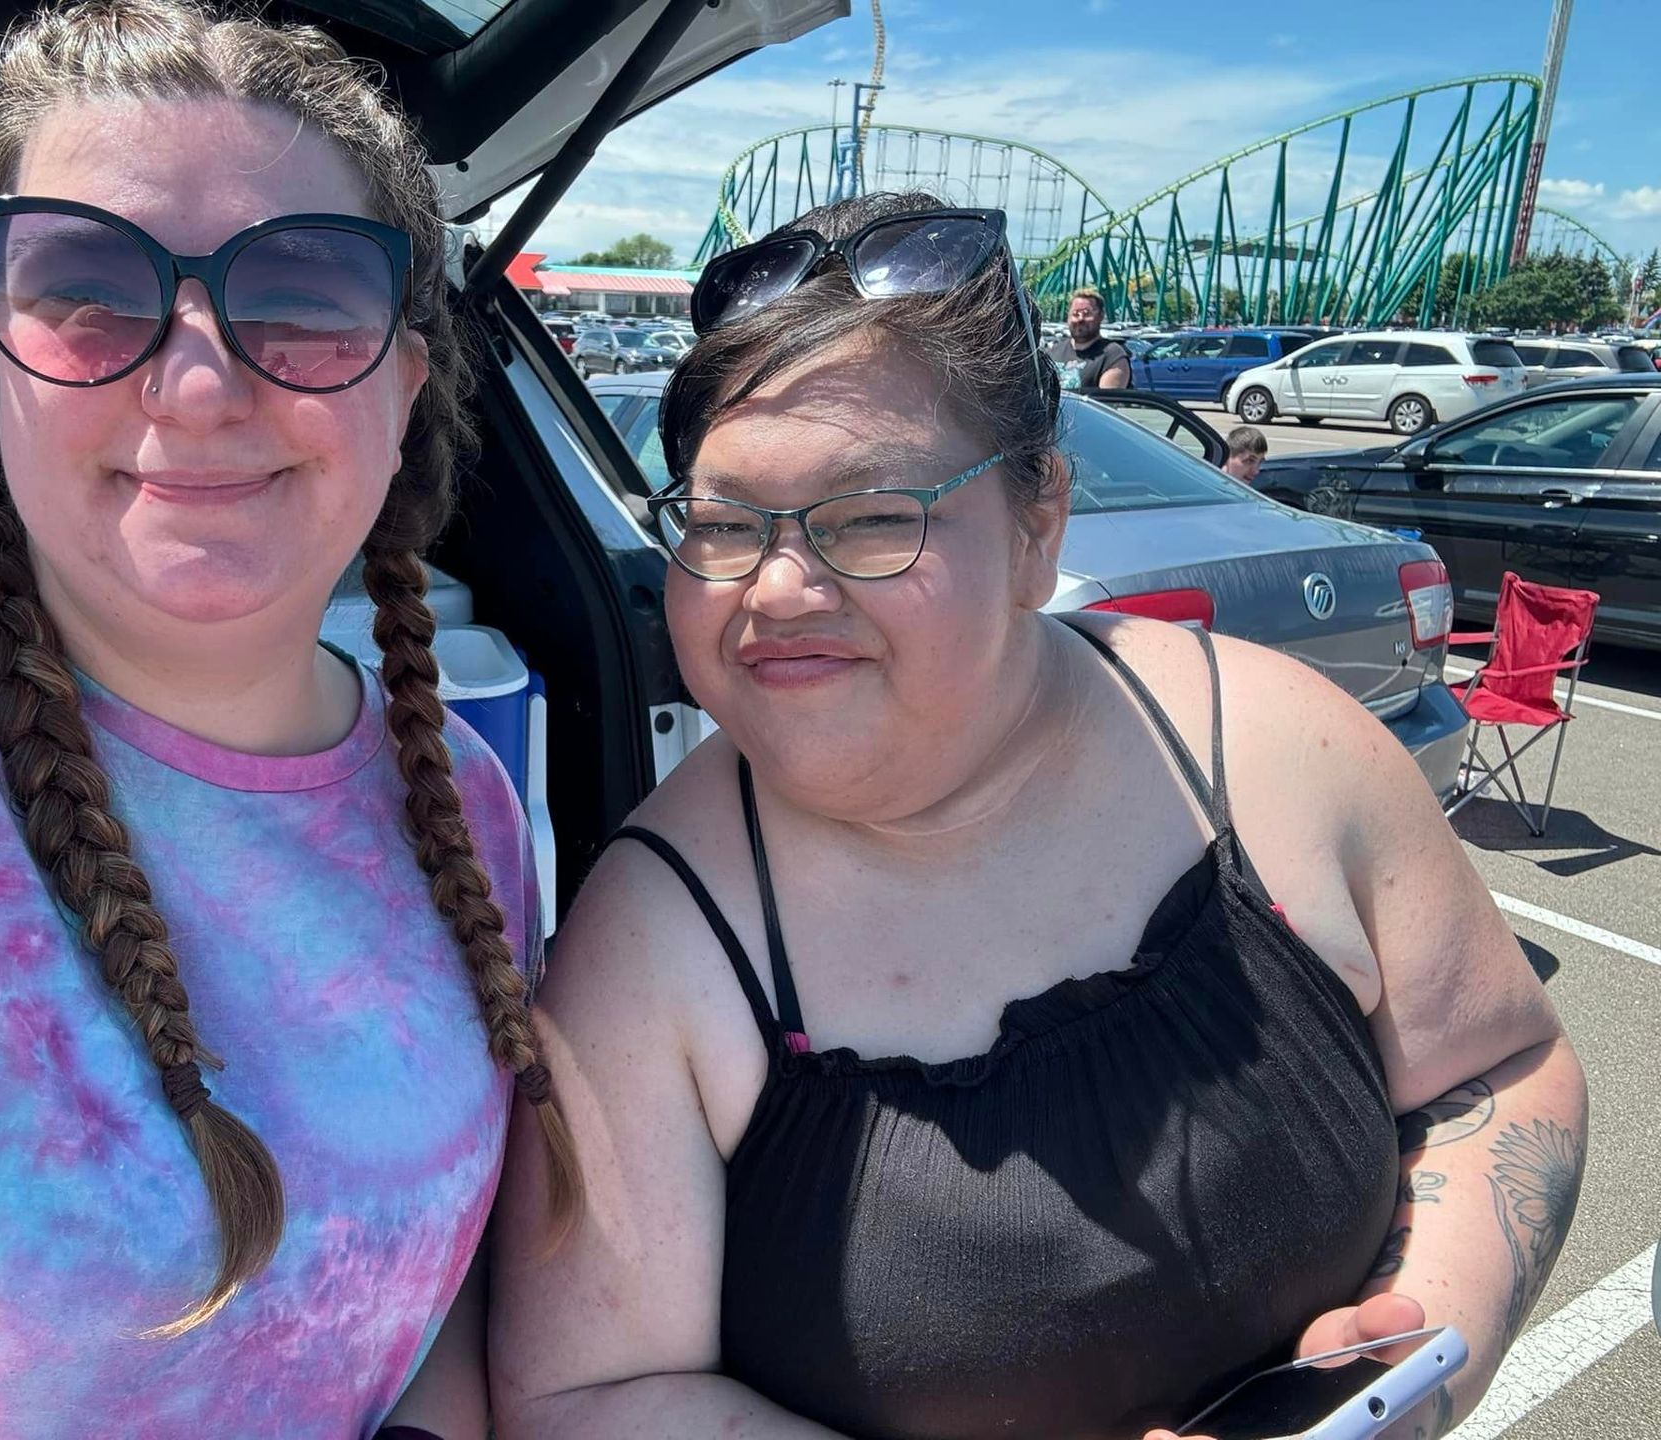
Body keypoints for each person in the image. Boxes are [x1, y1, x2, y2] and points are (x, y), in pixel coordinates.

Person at [489, 192, 1587, 1440]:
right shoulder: (649, 949)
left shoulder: (1280, 746)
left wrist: (1433, 1327)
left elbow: (1503, 1062)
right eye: (726, 525)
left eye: (870, 518)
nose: (779, 588)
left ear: (1036, 524)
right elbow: (586, 1395)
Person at [0, 2, 576, 1434]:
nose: (196, 384)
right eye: (87, 289)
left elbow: (436, 1285)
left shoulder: (466, 810)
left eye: (305, 296)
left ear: (403, 385)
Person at [1047, 285, 1131, 390]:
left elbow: (1107, 402)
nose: (1080, 319)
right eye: (1075, 314)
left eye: (1087, 314)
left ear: (1101, 316)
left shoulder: (1113, 356)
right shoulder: (1053, 353)